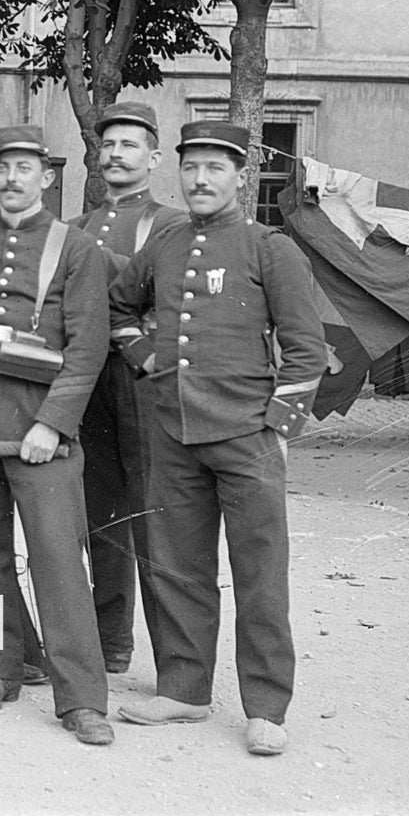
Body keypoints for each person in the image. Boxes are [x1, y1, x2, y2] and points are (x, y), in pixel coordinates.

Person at [108, 120, 325, 756]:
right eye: (191, 168)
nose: (201, 180)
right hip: (173, 432)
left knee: (261, 574)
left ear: (240, 176)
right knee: (179, 566)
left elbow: (307, 353)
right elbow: (121, 307)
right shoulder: (168, 243)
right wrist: (146, 358)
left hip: (248, 434)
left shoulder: (271, 249)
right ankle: (184, 689)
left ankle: (266, 706)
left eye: (216, 169)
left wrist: (279, 429)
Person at [0, 124, 115, 747]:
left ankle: (83, 700)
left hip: (39, 415)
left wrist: (52, 423)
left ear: (46, 176)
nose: (12, 179)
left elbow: (88, 349)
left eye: (24, 168)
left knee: (58, 558)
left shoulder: (75, 249)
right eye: (2, 169)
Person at [70, 102, 188, 674]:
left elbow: (164, 291)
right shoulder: (80, 225)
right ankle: (109, 640)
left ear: (154, 158)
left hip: (142, 377)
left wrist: (95, 260)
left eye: (130, 145)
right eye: (108, 145)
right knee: (101, 512)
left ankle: (173, 660)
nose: (116, 154)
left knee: (152, 515)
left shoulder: (170, 224)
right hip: (91, 378)